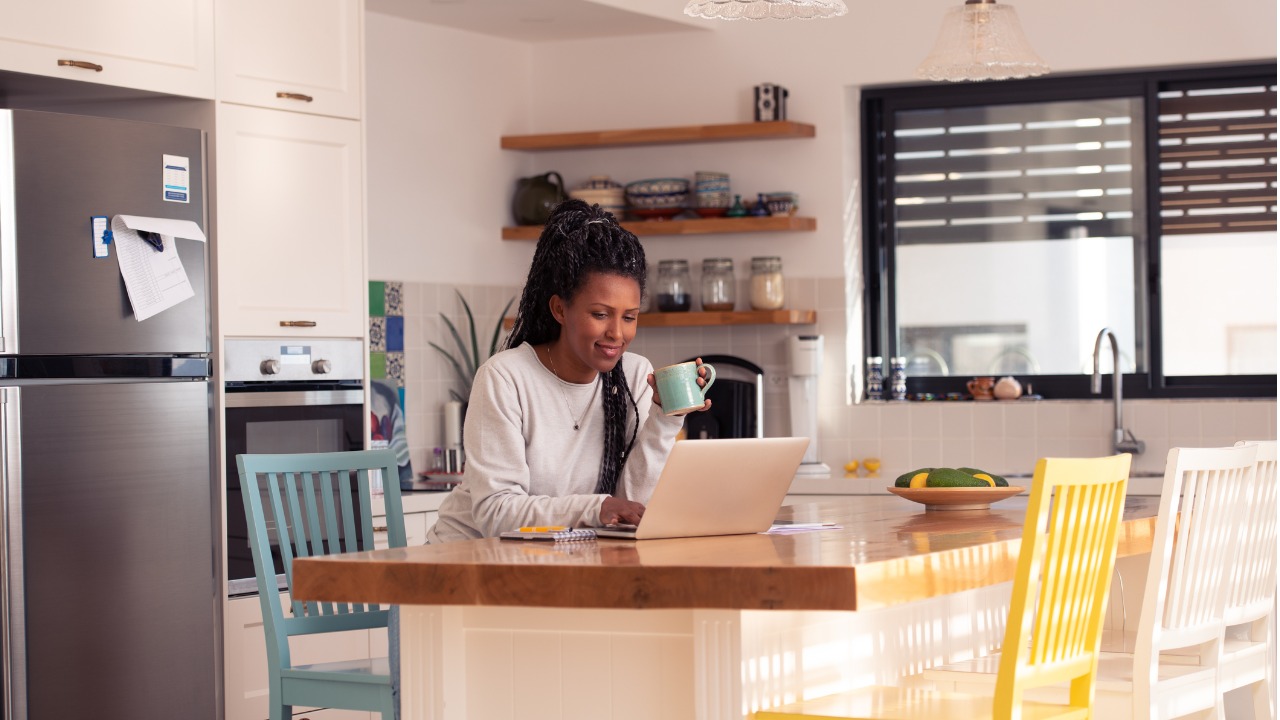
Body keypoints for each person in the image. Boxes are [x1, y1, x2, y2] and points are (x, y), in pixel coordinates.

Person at [426, 198, 710, 543]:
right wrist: (595, 508)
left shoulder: (635, 375)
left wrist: (666, 418)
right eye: (600, 314)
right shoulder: (506, 378)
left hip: (556, 558)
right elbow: (495, 512)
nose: (617, 334)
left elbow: (632, 506)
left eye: (629, 317)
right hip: (464, 561)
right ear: (560, 309)